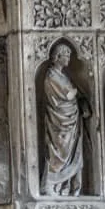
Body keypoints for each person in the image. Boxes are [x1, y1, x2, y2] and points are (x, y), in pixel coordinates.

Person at [41, 44, 91, 195]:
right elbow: (68, 95)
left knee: (72, 150)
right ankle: (51, 184)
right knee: (59, 150)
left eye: (69, 55)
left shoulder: (64, 76)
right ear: (58, 57)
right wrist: (76, 93)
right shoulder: (52, 76)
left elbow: (71, 94)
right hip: (59, 121)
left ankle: (67, 186)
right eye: (66, 55)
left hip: (72, 119)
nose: (68, 58)